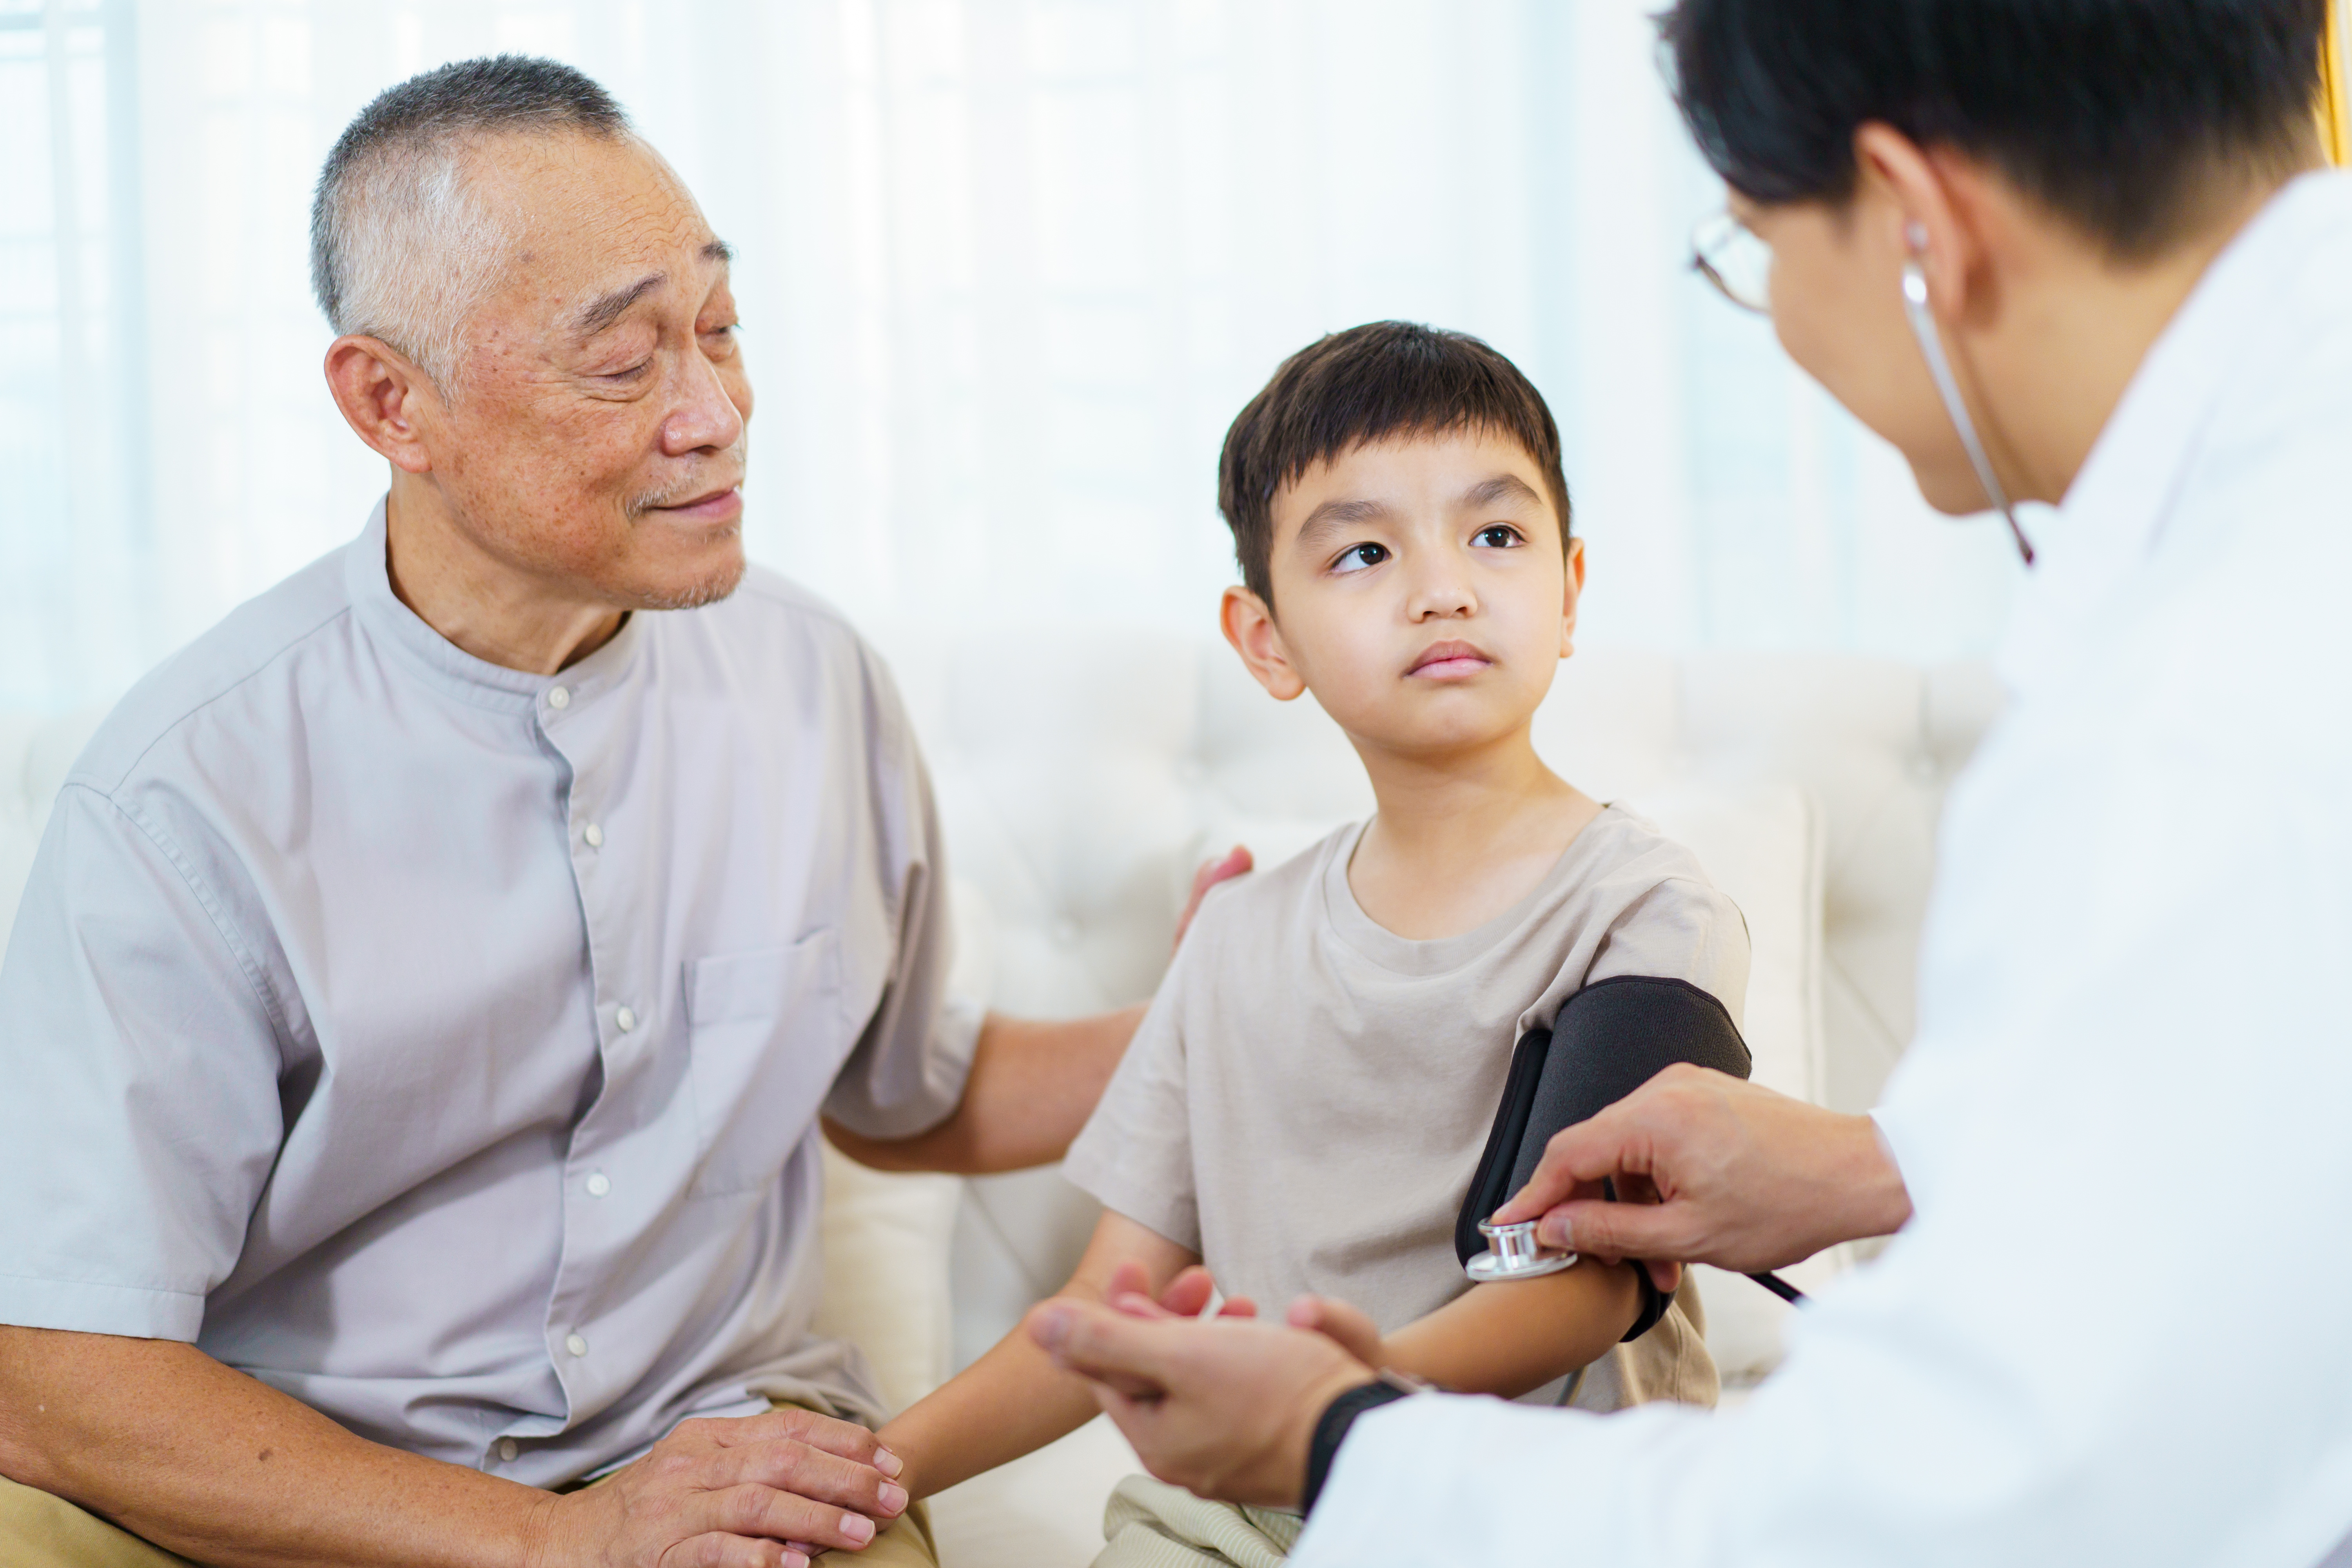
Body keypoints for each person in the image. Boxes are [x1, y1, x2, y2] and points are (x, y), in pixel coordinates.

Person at [1022, 2, 2352, 1564]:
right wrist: (1886, 1166)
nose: (1774, 309)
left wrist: (1339, 1437)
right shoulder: (2250, 583)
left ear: (1920, 227)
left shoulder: (2183, 715)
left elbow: (1969, 1500)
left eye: (1756, 244)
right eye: (1369, 550)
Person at [0, 56, 1232, 1568]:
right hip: (303, 1495)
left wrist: (1221, 1004)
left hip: (716, 1457)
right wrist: (554, 1544)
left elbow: (909, 1097)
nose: (714, 414)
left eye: (718, 328)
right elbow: (54, 1377)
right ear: (393, 404)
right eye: (622, 362)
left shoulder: (812, 677)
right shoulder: (183, 797)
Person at [872, 321, 1748, 1565]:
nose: (1443, 585)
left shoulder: (1649, 909)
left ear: (1569, 591)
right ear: (1265, 639)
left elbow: (1595, 1280)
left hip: (1535, 1510)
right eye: (1364, 552)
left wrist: (1342, 1396)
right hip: (1243, 1512)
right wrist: (871, 1467)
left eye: (1495, 535)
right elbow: (1103, 1301)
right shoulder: (1232, 940)